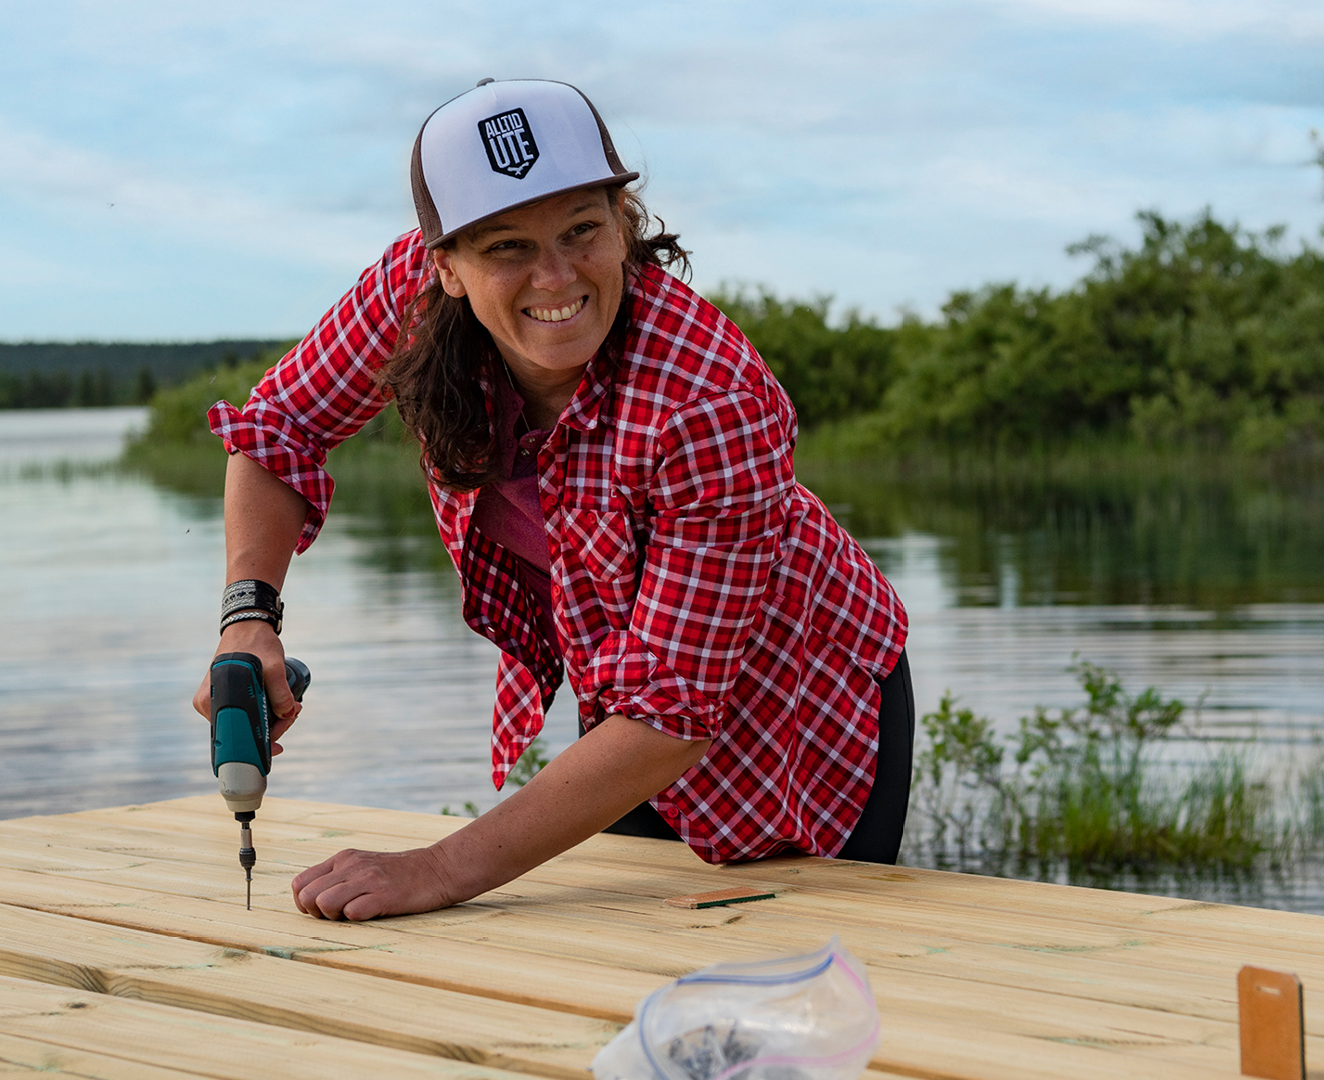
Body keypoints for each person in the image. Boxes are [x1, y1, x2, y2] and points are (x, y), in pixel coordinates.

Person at [193, 79, 910, 922]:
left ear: (624, 222)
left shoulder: (711, 399)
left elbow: (672, 712)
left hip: (802, 718)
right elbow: (280, 426)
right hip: (625, 705)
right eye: (507, 248)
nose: (555, 277)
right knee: (628, 980)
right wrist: (249, 617)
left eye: (581, 229)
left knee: (792, 988)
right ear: (446, 267)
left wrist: (436, 870)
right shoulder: (409, 299)